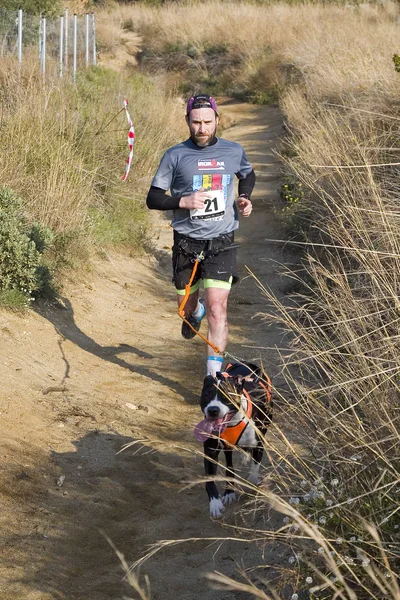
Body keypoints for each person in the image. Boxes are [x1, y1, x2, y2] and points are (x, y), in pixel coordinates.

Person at [146, 94, 255, 376]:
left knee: (218, 308)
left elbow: (248, 174)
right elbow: (153, 198)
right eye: (196, 122)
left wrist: (244, 197)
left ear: (218, 120)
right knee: (185, 308)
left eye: (208, 122)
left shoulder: (233, 151)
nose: (202, 129)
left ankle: (213, 377)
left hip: (221, 240)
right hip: (186, 242)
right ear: (187, 121)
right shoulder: (175, 155)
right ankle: (195, 313)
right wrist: (182, 202)